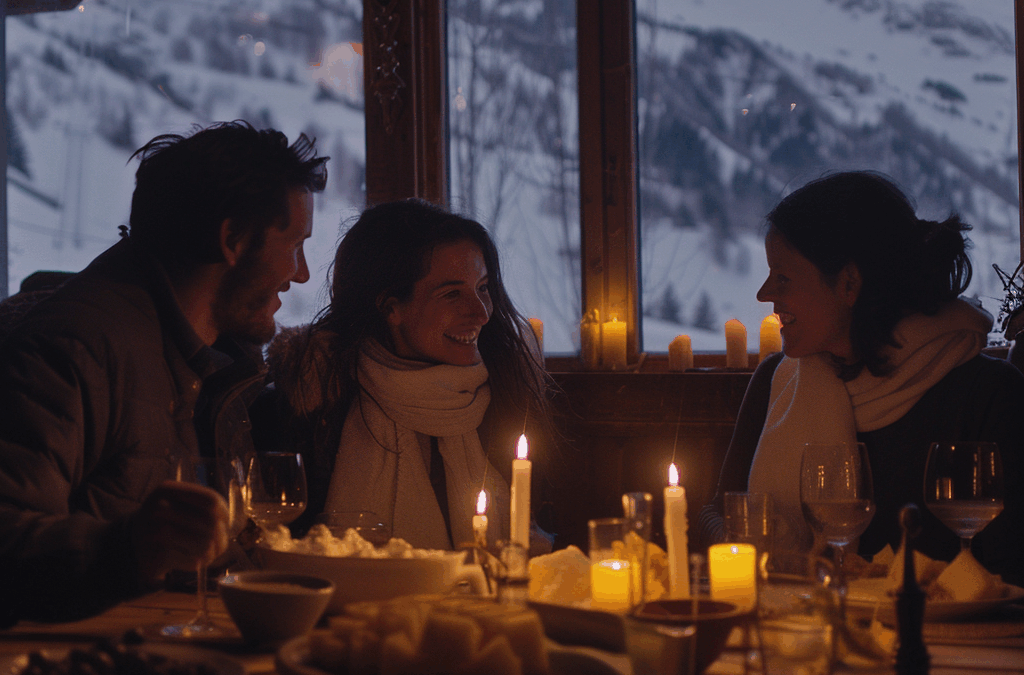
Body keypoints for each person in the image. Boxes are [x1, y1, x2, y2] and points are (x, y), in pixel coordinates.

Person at [0, 121, 328, 624]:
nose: (301, 272)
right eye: (294, 245)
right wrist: (127, 549)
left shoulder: (219, 361)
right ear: (233, 240)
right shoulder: (73, 350)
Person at [697, 171, 1024, 585]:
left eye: (782, 278)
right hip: (808, 628)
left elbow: (1010, 569)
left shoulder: (989, 396)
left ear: (849, 284)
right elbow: (718, 509)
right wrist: (741, 543)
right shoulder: (775, 381)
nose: (763, 295)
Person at [258, 199, 553, 551]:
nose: (480, 312)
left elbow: (538, 534)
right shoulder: (314, 405)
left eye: (484, 288)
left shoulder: (503, 401)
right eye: (452, 294)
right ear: (391, 307)